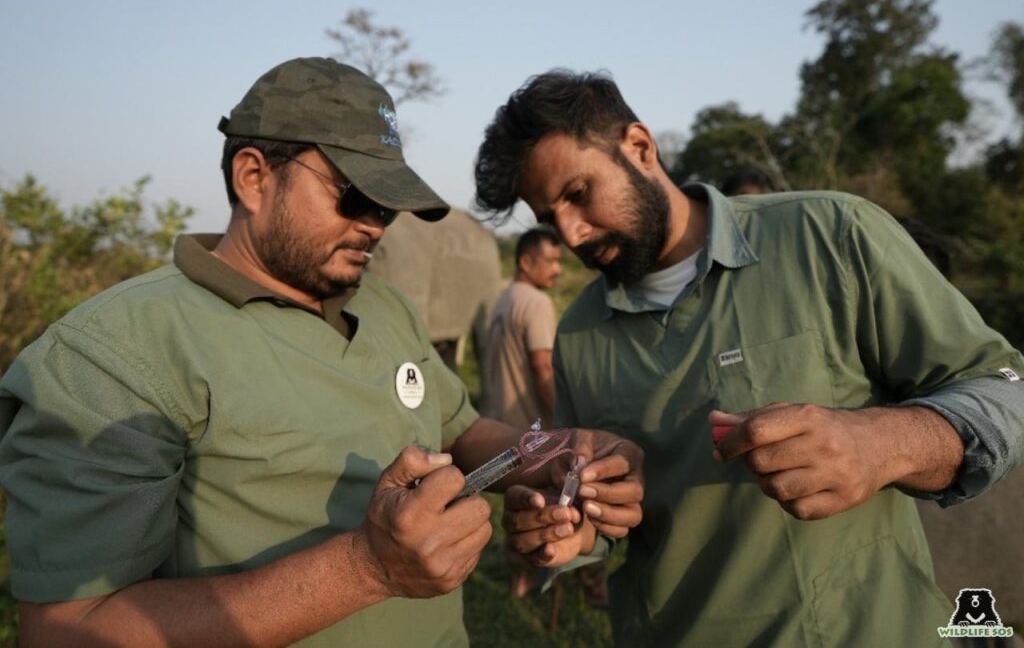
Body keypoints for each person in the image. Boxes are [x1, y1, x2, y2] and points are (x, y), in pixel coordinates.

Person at [0, 58, 643, 647]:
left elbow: (464, 429)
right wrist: (366, 568)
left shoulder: (384, 307)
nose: (373, 224)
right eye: (355, 197)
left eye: (388, 206)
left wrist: (564, 455)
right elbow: (68, 630)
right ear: (253, 177)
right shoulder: (117, 351)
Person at [473, 69, 1024, 647]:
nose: (571, 233)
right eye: (548, 217)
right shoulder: (581, 331)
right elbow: (597, 498)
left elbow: (1004, 385)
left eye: (578, 194)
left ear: (639, 146)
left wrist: (883, 444)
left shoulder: (830, 236)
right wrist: (573, 530)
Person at [485, 226, 562, 430]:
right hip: (531, 433)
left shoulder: (503, 300)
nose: (557, 270)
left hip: (499, 430)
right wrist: (566, 421)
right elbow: (543, 367)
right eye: (550, 261)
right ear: (526, 263)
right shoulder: (537, 302)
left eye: (558, 261)